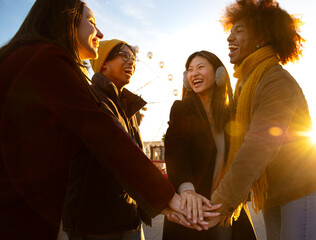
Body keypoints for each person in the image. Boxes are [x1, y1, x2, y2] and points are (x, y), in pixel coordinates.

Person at [0, 1, 184, 239]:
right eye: (91, 22)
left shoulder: (24, 57)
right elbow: (105, 136)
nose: (100, 33)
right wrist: (165, 195)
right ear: (66, 19)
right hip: (25, 215)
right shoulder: (47, 60)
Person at [210, 0, 316, 239]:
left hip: (302, 184)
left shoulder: (275, 80)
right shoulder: (245, 83)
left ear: (261, 37)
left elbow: (258, 144)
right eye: (230, 31)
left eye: (239, 30)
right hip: (273, 190)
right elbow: (233, 132)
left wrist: (222, 200)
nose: (229, 38)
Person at [162, 51, 257, 240]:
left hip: (224, 207)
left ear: (219, 73)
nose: (194, 73)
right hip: (194, 209)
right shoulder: (182, 108)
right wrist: (187, 190)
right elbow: (176, 150)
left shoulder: (232, 113)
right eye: (190, 70)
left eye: (200, 67)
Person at [62, 39, 148, 239]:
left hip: (128, 215)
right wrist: (166, 198)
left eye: (133, 58)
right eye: (124, 55)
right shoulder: (90, 97)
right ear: (104, 63)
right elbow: (120, 152)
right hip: (94, 222)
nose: (131, 62)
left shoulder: (128, 107)